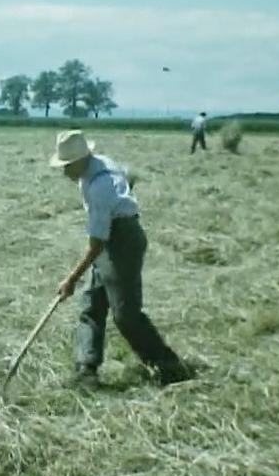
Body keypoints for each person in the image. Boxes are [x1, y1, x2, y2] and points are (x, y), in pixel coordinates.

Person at [49, 130, 190, 385]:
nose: (64, 172)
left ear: (82, 159)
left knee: (126, 315)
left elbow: (96, 245)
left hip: (123, 242)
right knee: (92, 305)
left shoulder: (100, 187)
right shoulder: (97, 166)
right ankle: (86, 370)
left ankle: (169, 367)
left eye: (67, 166)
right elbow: (126, 174)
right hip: (113, 233)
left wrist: (71, 279)